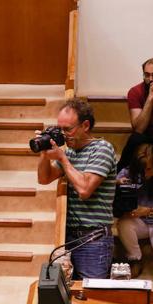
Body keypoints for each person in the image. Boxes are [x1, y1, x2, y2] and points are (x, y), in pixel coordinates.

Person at [37, 98, 116, 279]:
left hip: (94, 239)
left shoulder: (102, 149)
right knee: (66, 296)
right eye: (60, 129)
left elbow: (84, 190)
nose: (63, 135)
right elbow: (44, 178)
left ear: (85, 125)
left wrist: (63, 159)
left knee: (91, 296)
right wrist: (43, 153)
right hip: (69, 237)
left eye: (68, 129)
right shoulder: (70, 152)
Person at [116, 143, 153, 277]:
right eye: (141, 170)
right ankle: (135, 258)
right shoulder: (127, 172)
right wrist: (117, 183)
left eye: (148, 169)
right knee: (124, 223)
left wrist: (148, 210)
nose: (145, 174)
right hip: (139, 222)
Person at [118, 58, 153, 171]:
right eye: (147, 75)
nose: (151, 79)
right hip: (145, 134)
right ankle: (119, 173)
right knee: (134, 139)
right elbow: (138, 128)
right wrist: (150, 99)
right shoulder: (135, 92)